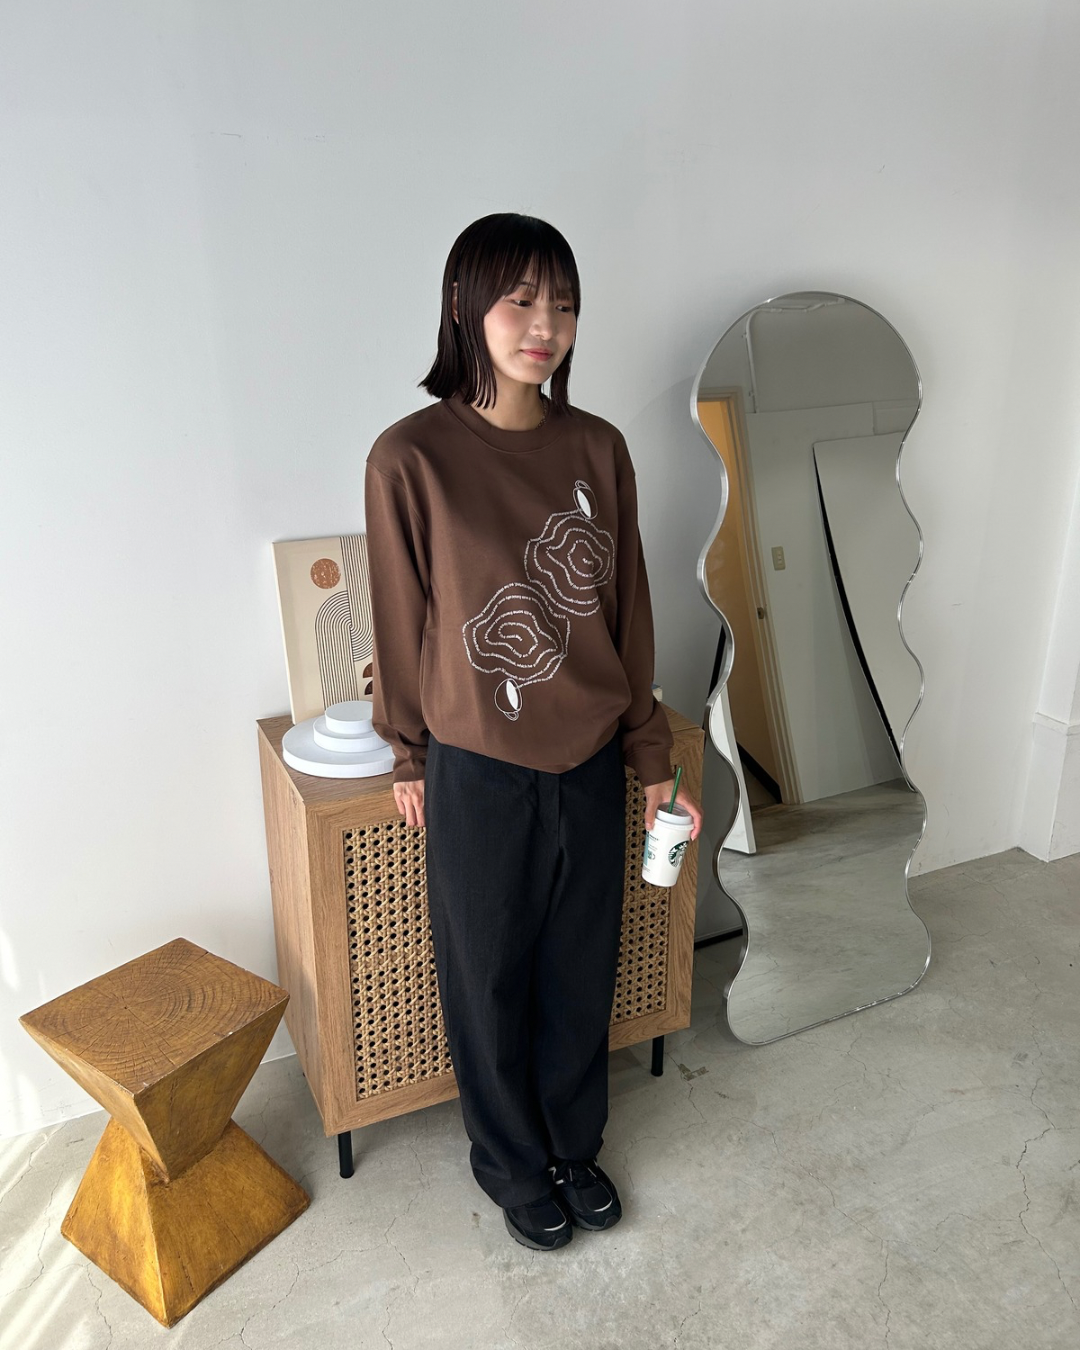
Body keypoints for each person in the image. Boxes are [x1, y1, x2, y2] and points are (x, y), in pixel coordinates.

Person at [364, 212, 703, 1251]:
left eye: (563, 304)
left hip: (591, 758)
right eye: (520, 301)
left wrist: (651, 756)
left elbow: (626, 611)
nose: (544, 325)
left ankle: (573, 1147)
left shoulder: (598, 447)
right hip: (478, 768)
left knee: (579, 968)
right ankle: (512, 1162)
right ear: (465, 306)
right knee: (486, 978)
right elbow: (402, 618)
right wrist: (409, 752)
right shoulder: (410, 458)